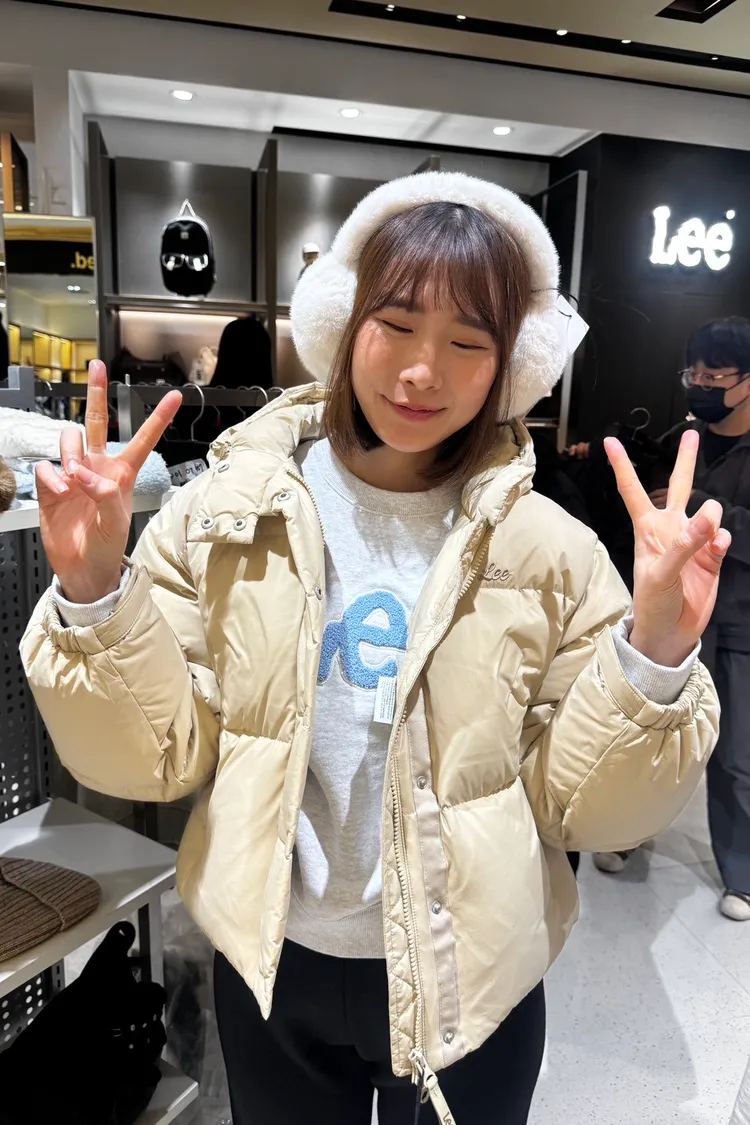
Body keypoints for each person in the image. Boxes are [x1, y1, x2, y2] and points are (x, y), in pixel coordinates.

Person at [22, 174, 727, 1125]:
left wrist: (657, 649)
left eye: (468, 342)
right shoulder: (224, 514)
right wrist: (95, 591)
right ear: (343, 320)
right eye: (395, 324)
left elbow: (586, 807)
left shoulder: (549, 549)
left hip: (472, 976)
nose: (423, 371)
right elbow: (152, 756)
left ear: (512, 363)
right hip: (275, 966)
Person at [592, 318, 750, 922]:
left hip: (737, 624)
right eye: (694, 375)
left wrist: (708, 516)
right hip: (662, 622)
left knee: (736, 758)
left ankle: (741, 872)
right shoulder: (679, 439)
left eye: (715, 377)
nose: (701, 386)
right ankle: (626, 834)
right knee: (648, 736)